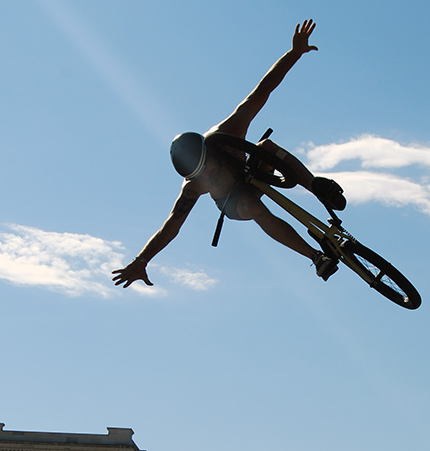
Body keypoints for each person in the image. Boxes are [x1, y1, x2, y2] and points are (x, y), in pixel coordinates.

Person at [112, 20, 346, 291]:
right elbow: (170, 227)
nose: (209, 176)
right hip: (234, 200)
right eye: (202, 176)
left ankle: (316, 185)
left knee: (266, 146)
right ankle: (316, 258)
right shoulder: (193, 188)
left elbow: (263, 90)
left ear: (210, 151)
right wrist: (142, 260)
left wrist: (294, 53)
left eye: (209, 169)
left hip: (252, 170)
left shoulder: (229, 132)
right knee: (253, 207)